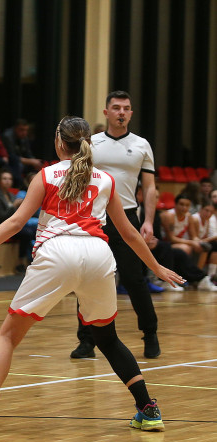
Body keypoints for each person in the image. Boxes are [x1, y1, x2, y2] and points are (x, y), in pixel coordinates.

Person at [0, 116, 184, 433]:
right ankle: (148, 409)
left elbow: (15, 223)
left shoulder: (46, 175)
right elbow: (129, 234)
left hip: (57, 252)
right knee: (107, 338)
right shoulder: (106, 180)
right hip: (98, 255)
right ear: (88, 144)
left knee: (8, 336)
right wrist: (156, 267)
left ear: (59, 142)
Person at [71, 91, 161, 360]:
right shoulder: (92, 143)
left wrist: (148, 221)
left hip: (127, 218)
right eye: (117, 107)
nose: (121, 112)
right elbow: (80, 178)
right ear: (106, 112)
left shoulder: (142, 145)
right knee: (88, 279)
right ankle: (86, 341)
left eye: (126, 108)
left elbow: (150, 187)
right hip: (95, 217)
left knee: (134, 279)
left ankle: (150, 334)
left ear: (131, 113)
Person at [0, 169, 36, 273]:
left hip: (9, 226)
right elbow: (1, 217)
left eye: (9, 179)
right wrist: (14, 206)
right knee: (26, 233)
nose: (7, 181)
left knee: (32, 230)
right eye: (4, 179)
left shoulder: (12, 195)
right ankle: (20, 262)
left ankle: (32, 260)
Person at [1, 119, 43, 189]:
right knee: (19, 165)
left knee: (37, 165)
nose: (24, 132)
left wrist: (35, 162)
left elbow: (28, 154)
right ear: (15, 128)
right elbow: (11, 156)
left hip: (20, 161)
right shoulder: (7, 136)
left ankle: (35, 185)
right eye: (21, 130)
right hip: (8, 162)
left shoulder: (24, 137)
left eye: (26, 130)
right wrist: (31, 161)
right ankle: (20, 187)